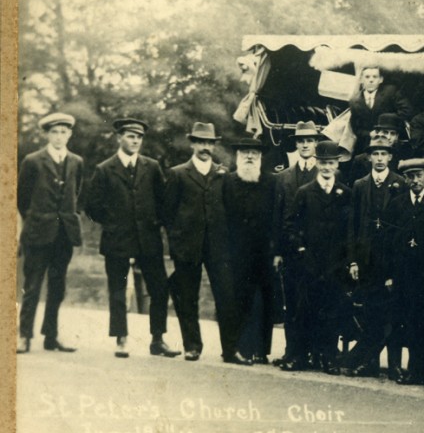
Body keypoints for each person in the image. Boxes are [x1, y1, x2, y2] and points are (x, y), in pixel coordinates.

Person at [83, 118, 181, 358]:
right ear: (119, 138)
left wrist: (155, 222)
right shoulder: (104, 169)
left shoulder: (152, 166)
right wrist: (113, 222)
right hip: (117, 240)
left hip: (148, 239)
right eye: (130, 136)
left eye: (138, 137)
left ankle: (158, 339)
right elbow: (92, 206)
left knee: (159, 289)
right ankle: (121, 339)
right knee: (117, 290)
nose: (135, 140)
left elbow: (163, 201)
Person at [162, 122, 240, 363]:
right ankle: (192, 346)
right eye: (201, 142)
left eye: (209, 143)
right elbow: (167, 213)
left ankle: (230, 349)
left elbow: (231, 211)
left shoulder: (223, 174)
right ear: (192, 143)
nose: (205, 147)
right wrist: (176, 241)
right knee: (187, 297)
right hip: (187, 246)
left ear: (214, 145)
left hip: (218, 247)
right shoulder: (177, 173)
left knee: (226, 296)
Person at [285, 141, 356, 376]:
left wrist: (347, 259)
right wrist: (301, 250)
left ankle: (328, 357)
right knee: (304, 309)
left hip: (335, 264)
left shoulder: (345, 193)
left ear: (337, 165)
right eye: (323, 162)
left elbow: (350, 230)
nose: (327, 167)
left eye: (332, 163)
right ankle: (299, 355)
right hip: (309, 263)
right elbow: (291, 226)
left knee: (332, 311)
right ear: (316, 163)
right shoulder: (305, 192)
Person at [17, 112, 84, 354]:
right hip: (38, 232)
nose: (59, 137)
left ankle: (51, 335)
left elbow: (77, 193)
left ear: (70, 134)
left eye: (63, 132)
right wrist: (36, 219)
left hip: (64, 233)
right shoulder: (33, 161)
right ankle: (24, 335)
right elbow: (22, 199)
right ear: (47, 134)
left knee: (58, 286)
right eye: (54, 132)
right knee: (32, 286)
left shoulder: (76, 161)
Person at [382, 158, 424, 387]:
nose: (415, 181)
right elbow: (389, 243)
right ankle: (414, 371)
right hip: (406, 275)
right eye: (410, 176)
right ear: (405, 179)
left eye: (419, 175)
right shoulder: (397, 203)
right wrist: (391, 274)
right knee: (411, 323)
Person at [345, 139, 406, 380]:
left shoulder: (400, 184)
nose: (380, 158)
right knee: (370, 313)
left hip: (391, 260)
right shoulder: (360, 185)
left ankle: (394, 365)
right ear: (369, 158)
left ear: (390, 157)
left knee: (393, 313)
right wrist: (353, 261)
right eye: (376, 154)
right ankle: (369, 362)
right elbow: (352, 225)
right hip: (367, 259)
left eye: (384, 154)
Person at [271, 121, 323, 371]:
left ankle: (313, 352)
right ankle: (292, 352)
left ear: (316, 143)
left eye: (309, 140)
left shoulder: (326, 174)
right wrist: (279, 252)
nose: (305, 144)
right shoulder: (283, 177)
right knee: (291, 302)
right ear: (296, 144)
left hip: (316, 251)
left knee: (313, 301)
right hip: (291, 250)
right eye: (301, 141)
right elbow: (278, 217)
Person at [222, 138, 278, 366]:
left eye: (254, 152)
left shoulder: (271, 182)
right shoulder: (227, 181)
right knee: (238, 299)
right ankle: (239, 347)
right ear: (237, 156)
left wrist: (276, 249)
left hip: (264, 251)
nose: (249, 157)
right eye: (245, 152)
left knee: (264, 300)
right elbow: (222, 217)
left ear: (260, 157)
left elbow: (276, 217)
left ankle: (261, 350)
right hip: (236, 252)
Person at [348, 66, 413, 153]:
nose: (371, 80)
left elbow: (407, 110)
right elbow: (356, 128)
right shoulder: (354, 100)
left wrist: (388, 123)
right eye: (367, 77)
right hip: (368, 142)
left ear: (381, 79)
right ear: (361, 80)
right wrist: (369, 134)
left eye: (375, 77)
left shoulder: (390, 91)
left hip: (390, 138)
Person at [351, 113, 413, 182]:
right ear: (377, 133)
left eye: (393, 133)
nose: (389, 137)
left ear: (397, 136)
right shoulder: (360, 160)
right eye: (385, 132)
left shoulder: (404, 157)